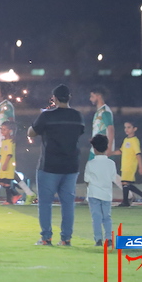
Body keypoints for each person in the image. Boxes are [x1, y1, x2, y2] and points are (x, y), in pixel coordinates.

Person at [28, 84, 84, 246]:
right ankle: (66, 238)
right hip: (71, 165)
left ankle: (46, 237)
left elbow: (31, 132)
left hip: (49, 166)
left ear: (54, 98)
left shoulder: (47, 116)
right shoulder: (77, 116)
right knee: (68, 204)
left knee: (45, 203)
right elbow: (79, 133)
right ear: (69, 97)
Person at [84, 134, 120, 247]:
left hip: (94, 193)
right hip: (107, 194)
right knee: (107, 217)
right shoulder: (111, 163)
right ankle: (109, 238)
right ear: (106, 147)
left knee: (96, 217)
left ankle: (98, 239)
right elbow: (113, 178)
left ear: (94, 148)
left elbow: (86, 179)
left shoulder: (90, 164)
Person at [114, 120, 142, 207]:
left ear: (134, 129)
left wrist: (140, 167)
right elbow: (121, 151)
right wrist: (111, 153)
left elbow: (138, 154)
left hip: (130, 165)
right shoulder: (126, 140)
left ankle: (126, 202)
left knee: (125, 183)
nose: (126, 129)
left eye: (129, 127)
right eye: (125, 127)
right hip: (124, 165)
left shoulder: (134, 140)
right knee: (125, 184)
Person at [0, 83, 15, 201]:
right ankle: (23, 192)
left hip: (4, 142)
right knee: (0, 168)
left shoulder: (8, 106)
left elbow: (12, 122)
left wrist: (10, 139)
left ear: (2, 92)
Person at [0, 121, 22, 204]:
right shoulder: (4, 141)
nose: (2, 131)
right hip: (3, 165)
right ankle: (15, 194)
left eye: (4, 129)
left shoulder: (10, 142)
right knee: (1, 182)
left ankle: (9, 200)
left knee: (7, 183)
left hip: (8, 166)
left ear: (10, 131)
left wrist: (5, 164)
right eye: (1, 129)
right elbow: (2, 154)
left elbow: (9, 154)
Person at [89, 86, 114, 158]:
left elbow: (110, 129)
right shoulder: (99, 111)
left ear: (99, 96)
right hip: (96, 149)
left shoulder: (105, 111)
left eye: (92, 96)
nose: (90, 99)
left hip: (103, 151)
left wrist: (109, 148)